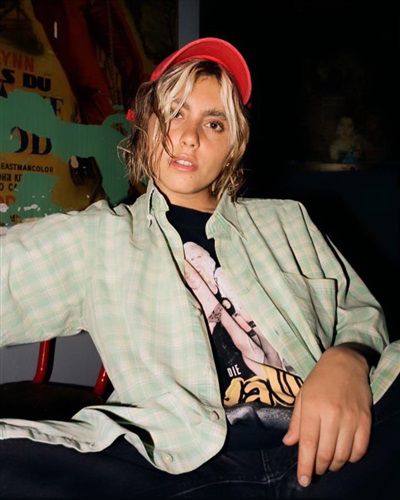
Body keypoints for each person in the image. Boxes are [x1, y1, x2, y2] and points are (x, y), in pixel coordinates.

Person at [1, 37, 399, 499]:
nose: (190, 136)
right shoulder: (99, 239)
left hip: (330, 448)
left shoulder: (289, 220)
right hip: (180, 464)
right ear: (145, 123)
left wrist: (348, 359)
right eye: (175, 112)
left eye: (214, 123)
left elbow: (360, 316)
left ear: (234, 145)